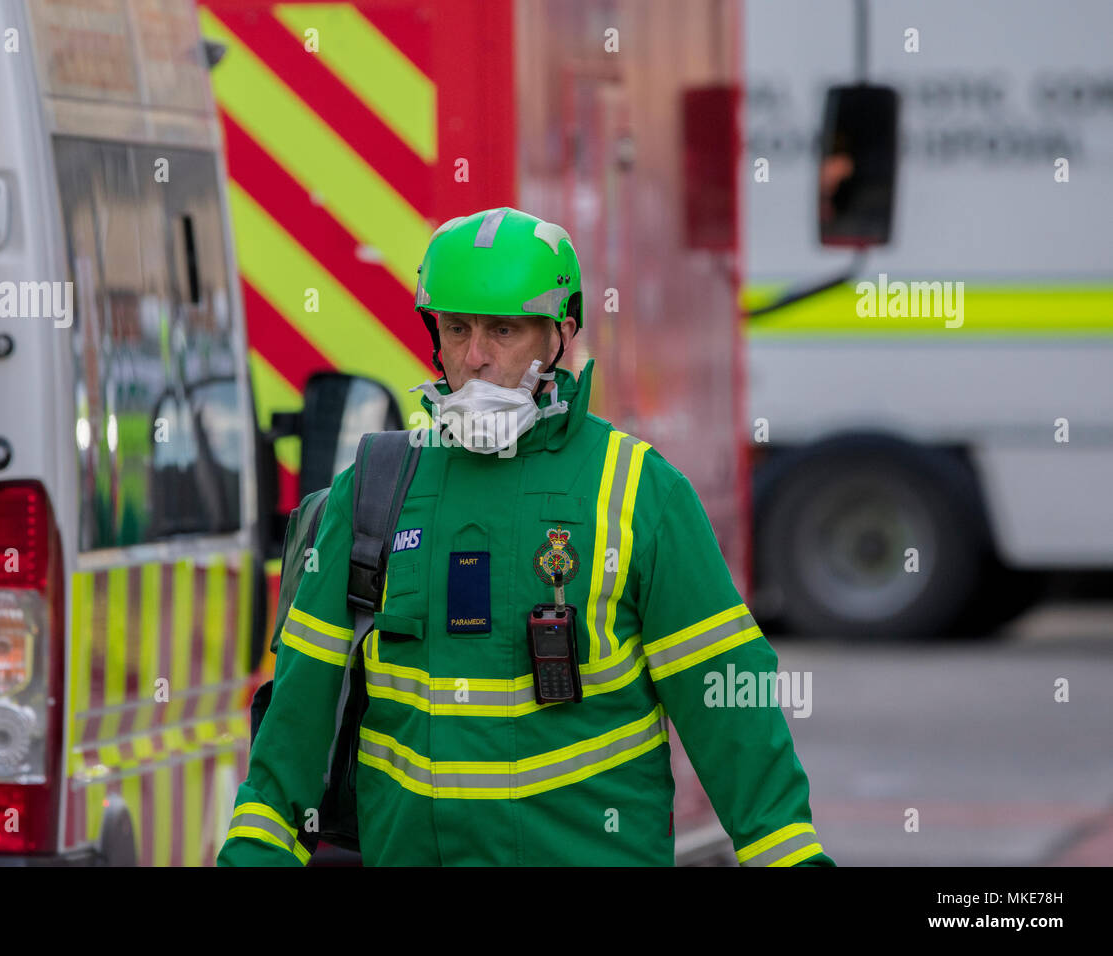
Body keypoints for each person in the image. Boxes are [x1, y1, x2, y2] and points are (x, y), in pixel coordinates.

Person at [218, 206, 834, 866]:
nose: (475, 358)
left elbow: (730, 708)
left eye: (503, 331)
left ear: (560, 334)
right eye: (457, 329)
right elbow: (289, 745)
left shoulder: (638, 495)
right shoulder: (370, 490)